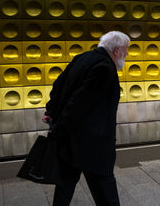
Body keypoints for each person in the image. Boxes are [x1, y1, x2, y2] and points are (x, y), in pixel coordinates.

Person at [42, 31, 130, 206]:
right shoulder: (104, 68)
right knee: (105, 189)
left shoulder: (82, 57)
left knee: (64, 187)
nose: (127, 54)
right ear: (116, 50)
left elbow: (58, 85)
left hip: (69, 143)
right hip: (92, 145)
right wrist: (58, 132)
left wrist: (51, 111)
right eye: (126, 50)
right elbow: (78, 104)